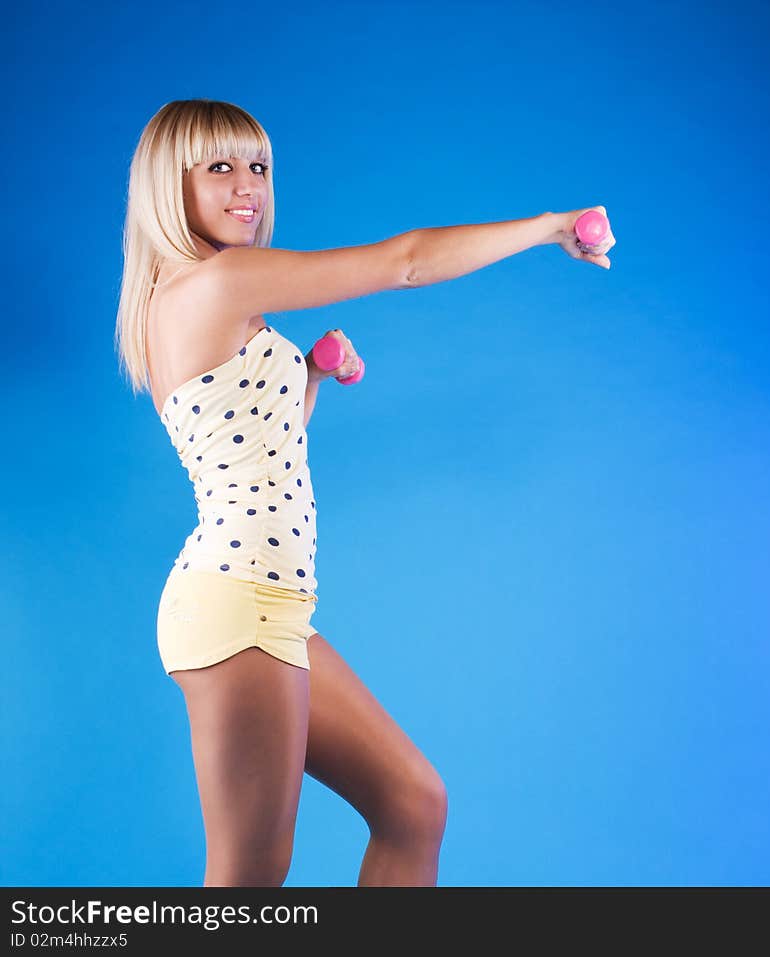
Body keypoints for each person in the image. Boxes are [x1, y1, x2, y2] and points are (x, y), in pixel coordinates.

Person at [114, 98, 615, 888]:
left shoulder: (187, 298)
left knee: (412, 803)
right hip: (237, 603)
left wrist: (307, 378)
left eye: (258, 167)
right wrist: (551, 225)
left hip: (266, 602)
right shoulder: (220, 281)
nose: (248, 186)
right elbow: (405, 260)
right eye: (220, 168)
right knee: (247, 882)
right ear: (166, 187)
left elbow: (254, 453)